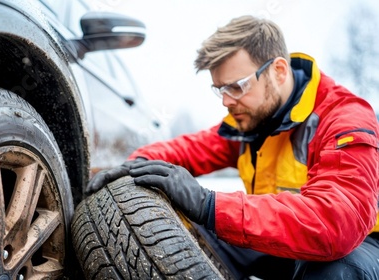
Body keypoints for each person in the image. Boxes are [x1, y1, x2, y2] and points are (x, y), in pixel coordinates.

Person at [85, 15, 379, 279]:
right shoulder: (251, 120)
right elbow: (188, 149)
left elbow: (336, 222)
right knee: (182, 234)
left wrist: (209, 204)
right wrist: (136, 165)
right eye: (220, 89)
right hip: (278, 237)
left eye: (236, 86)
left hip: (359, 244)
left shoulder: (344, 118)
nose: (226, 101)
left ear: (278, 71)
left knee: (338, 271)